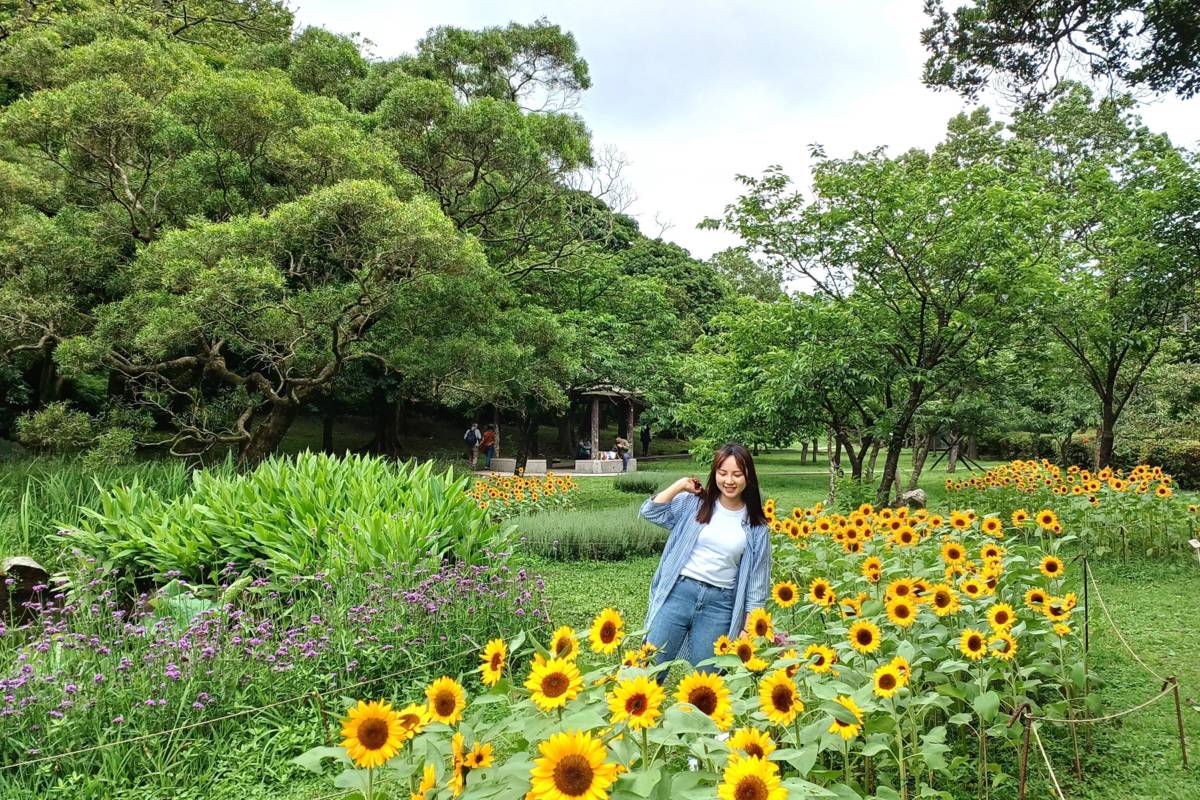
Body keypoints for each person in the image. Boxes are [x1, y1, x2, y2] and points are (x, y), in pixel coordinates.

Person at [638, 442, 771, 684]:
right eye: (723, 473)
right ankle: (637, 722)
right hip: (678, 593)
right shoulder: (694, 504)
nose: (729, 480)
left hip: (719, 606)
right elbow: (651, 512)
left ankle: (699, 722)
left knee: (708, 683)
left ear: (748, 477)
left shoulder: (757, 527)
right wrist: (681, 485)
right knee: (647, 671)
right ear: (715, 474)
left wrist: (748, 628)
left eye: (737, 474)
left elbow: (757, 583)